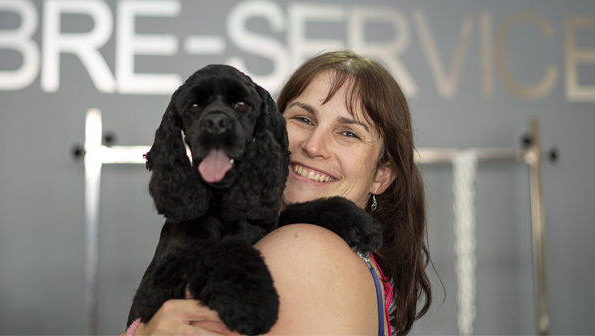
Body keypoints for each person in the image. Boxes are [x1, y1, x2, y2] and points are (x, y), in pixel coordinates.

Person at [124, 50, 433, 335]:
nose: (313, 146)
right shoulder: (356, 259)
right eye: (302, 119)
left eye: (348, 132)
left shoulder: (307, 248)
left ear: (381, 176)